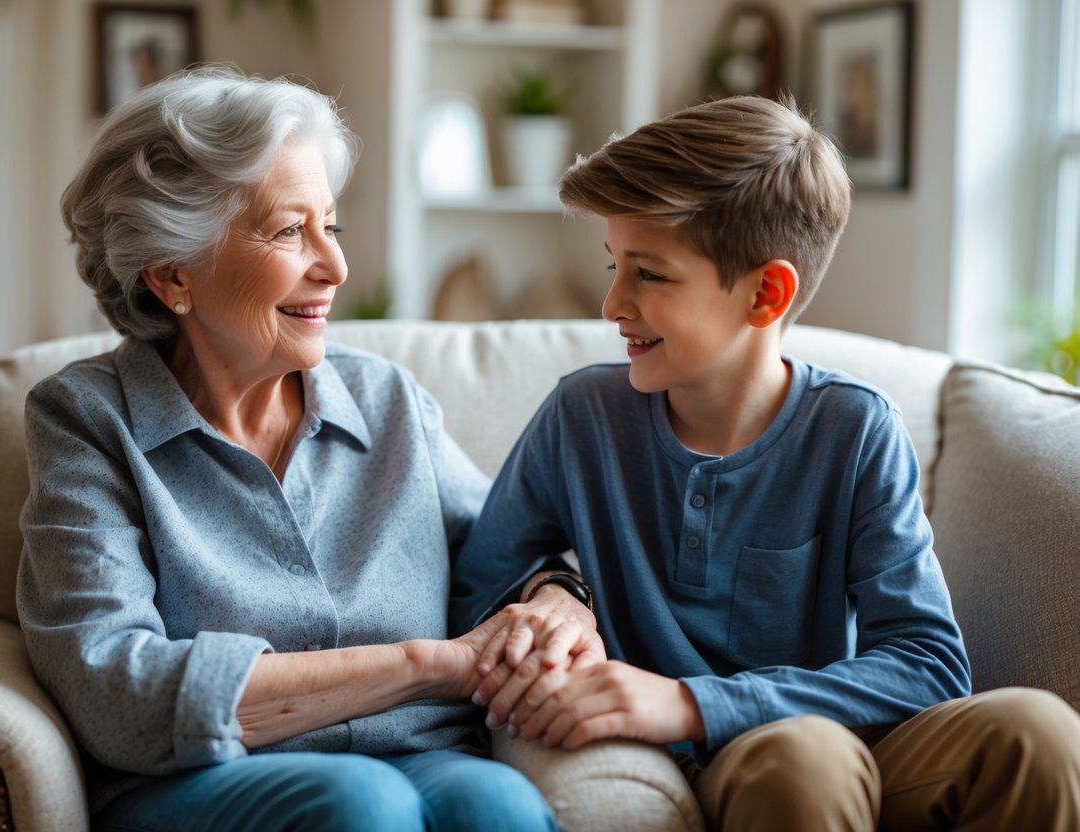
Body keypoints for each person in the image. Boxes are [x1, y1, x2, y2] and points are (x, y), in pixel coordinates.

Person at [452, 94, 1080, 831]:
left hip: (848, 740)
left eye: (648, 274)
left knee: (1038, 731)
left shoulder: (854, 429)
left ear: (766, 293)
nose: (612, 302)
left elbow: (928, 664)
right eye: (613, 265)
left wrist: (688, 701)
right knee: (804, 758)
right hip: (755, 769)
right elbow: (472, 595)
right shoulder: (582, 419)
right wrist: (560, 590)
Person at [16, 66, 582, 832]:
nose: (336, 267)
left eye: (332, 225)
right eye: (289, 231)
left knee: (498, 803)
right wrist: (426, 666)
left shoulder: (388, 403)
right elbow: (117, 690)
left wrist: (555, 599)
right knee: (358, 803)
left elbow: (512, 551)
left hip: (419, 757)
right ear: (171, 273)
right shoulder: (87, 420)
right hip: (207, 775)